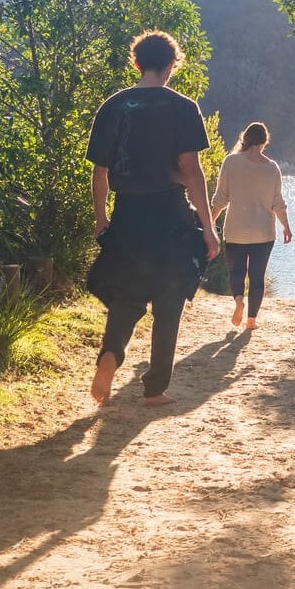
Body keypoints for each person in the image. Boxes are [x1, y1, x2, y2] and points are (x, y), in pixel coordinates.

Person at [83, 30, 219, 406]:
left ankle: (111, 354)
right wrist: (208, 228)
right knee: (169, 296)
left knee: (127, 294)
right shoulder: (183, 107)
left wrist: (101, 217)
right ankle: (155, 388)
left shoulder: (114, 105)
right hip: (171, 211)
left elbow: (100, 172)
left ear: (137, 62)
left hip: (128, 210)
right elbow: (191, 171)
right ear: (172, 64)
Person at [210, 121, 292, 331]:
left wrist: (209, 222)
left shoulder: (231, 162)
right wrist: (286, 226)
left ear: (245, 139)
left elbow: (220, 199)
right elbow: (277, 202)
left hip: (236, 230)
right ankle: (252, 321)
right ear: (264, 142)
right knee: (257, 276)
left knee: (236, 271)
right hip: (263, 233)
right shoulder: (272, 167)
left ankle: (238, 301)